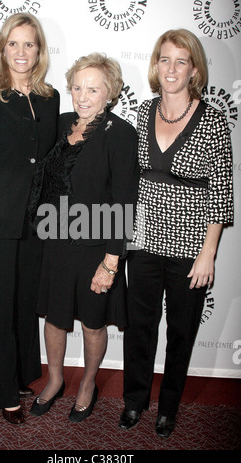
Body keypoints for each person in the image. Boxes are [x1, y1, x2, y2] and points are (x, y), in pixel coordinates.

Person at [119, 29, 233, 437]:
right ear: (155, 65)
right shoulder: (144, 112)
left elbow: (222, 192)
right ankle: (134, 401)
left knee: (182, 333)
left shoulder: (214, 121)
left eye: (180, 61)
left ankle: (168, 407)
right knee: (140, 328)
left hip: (190, 250)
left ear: (194, 70)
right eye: (164, 59)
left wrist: (209, 253)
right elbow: (131, 178)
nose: (171, 68)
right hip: (144, 242)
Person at [28, 53, 139, 423]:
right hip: (56, 242)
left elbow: (125, 201)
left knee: (93, 323)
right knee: (54, 319)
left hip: (96, 249)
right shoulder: (60, 124)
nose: (83, 95)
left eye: (93, 88)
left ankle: (88, 383)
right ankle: (56, 379)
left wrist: (111, 262)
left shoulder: (121, 133)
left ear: (110, 92)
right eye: (77, 87)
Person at [0, 13, 60, 424]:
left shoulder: (50, 97)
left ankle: (19, 375)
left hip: (35, 222)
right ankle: (0, 390)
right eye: (13, 43)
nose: (21, 52)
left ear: (40, 50)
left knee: (22, 304)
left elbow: (53, 160)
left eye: (29, 44)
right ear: (3, 48)